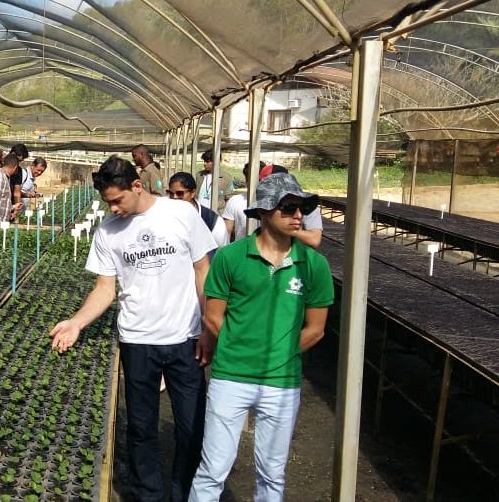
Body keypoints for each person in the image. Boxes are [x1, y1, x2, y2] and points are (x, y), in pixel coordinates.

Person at [50, 156, 216, 502]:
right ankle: (148, 494)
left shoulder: (181, 214)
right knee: (141, 428)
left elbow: (203, 270)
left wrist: (208, 326)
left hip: (185, 338)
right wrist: (76, 322)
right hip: (137, 341)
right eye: (107, 202)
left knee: (192, 426)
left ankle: (184, 492)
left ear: (137, 186)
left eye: (117, 200)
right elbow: (104, 289)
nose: (113, 209)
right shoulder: (108, 231)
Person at [189, 173, 333, 502]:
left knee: (272, 474)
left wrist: (279, 355)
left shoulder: (314, 265)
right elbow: (213, 315)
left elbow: (316, 328)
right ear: (265, 212)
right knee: (213, 469)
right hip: (231, 377)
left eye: (303, 208)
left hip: (281, 382)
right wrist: (239, 349)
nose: (299, 215)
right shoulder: (230, 257)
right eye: (289, 208)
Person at [224, 164, 323, 248]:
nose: (298, 215)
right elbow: (226, 232)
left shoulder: (303, 203)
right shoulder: (236, 201)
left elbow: (314, 240)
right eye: (269, 184)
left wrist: (287, 229)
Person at [167, 172, 230, 251]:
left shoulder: (213, 222)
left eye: (180, 193)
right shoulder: (163, 216)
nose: (174, 197)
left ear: (192, 193)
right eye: (170, 193)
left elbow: (222, 253)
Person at [221, 161, 263, 242]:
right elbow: (227, 232)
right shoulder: (235, 201)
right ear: (247, 181)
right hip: (241, 248)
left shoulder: (274, 203)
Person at [8, 143, 30, 207]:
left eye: (19, 161)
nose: (17, 163)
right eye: (17, 160)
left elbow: (17, 192)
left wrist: (17, 208)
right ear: (13, 154)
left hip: (11, 205)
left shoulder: (19, 170)